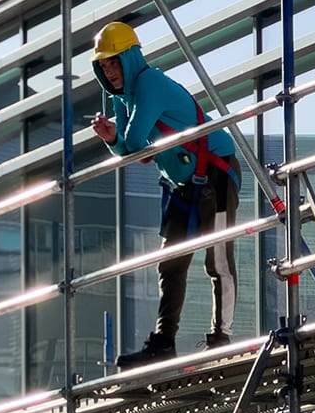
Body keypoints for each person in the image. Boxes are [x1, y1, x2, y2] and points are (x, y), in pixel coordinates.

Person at [88, 20, 239, 366]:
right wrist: (113, 139)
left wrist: (119, 139)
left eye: (114, 62)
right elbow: (134, 151)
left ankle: (221, 338)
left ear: (130, 58)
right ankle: (163, 342)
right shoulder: (122, 99)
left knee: (217, 260)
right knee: (170, 263)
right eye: (104, 66)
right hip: (182, 183)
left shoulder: (149, 84)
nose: (110, 72)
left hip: (216, 172)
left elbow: (135, 143)